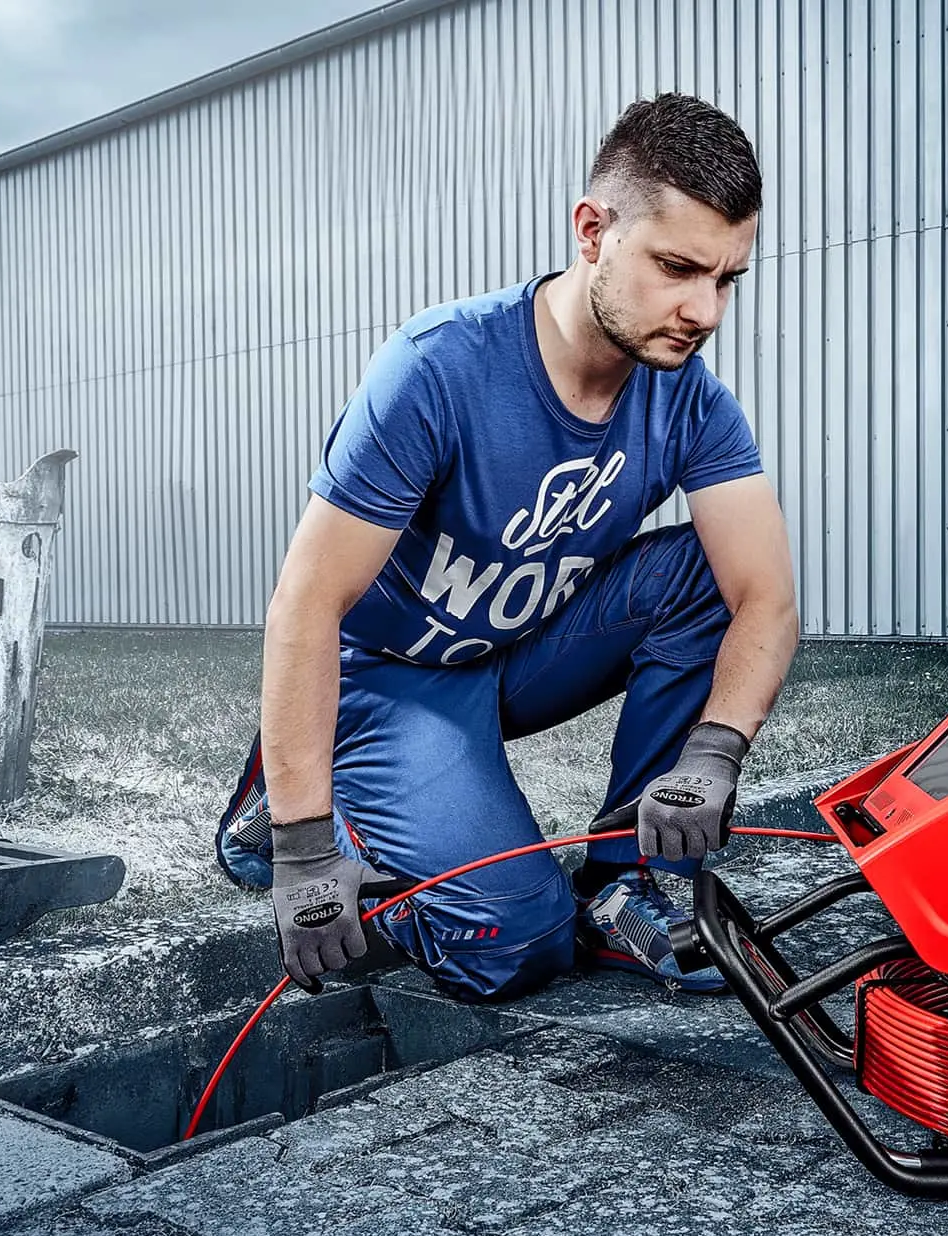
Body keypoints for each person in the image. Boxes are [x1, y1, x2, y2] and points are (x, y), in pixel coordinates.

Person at [213, 93, 797, 1002]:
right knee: (517, 943)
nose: (705, 309)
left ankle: (622, 883)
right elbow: (306, 603)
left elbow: (766, 597)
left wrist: (714, 750)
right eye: (677, 267)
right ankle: (302, 805)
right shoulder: (439, 368)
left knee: (707, 577)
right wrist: (304, 849)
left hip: (520, 651)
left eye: (727, 279)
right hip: (390, 678)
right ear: (592, 231)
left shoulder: (689, 399)